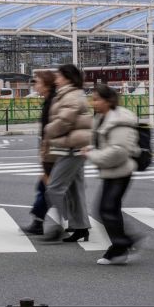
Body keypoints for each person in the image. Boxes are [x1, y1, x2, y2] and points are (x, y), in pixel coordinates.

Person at [85, 83, 140, 265]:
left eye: (96, 99)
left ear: (108, 100)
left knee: (106, 209)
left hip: (120, 170)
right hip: (112, 170)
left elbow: (118, 151)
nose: (93, 103)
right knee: (109, 209)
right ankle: (120, 247)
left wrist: (91, 154)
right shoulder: (103, 116)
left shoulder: (118, 120)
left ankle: (123, 243)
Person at [41, 63, 92, 243]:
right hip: (73, 146)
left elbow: (64, 121)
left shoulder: (71, 96)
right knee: (75, 190)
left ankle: (65, 222)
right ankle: (81, 228)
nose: (56, 79)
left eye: (59, 76)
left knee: (54, 187)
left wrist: (48, 129)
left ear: (67, 78)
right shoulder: (70, 94)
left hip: (72, 147)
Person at [22, 70, 57, 236]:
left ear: (46, 84)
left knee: (47, 188)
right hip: (50, 152)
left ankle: (40, 221)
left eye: (37, 82)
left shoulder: (52, 102)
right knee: (46, 188)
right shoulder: (49, 101)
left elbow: (49, 131)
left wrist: (45, 155)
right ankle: (39, 221)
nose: (35, 85)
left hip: (52, 153)